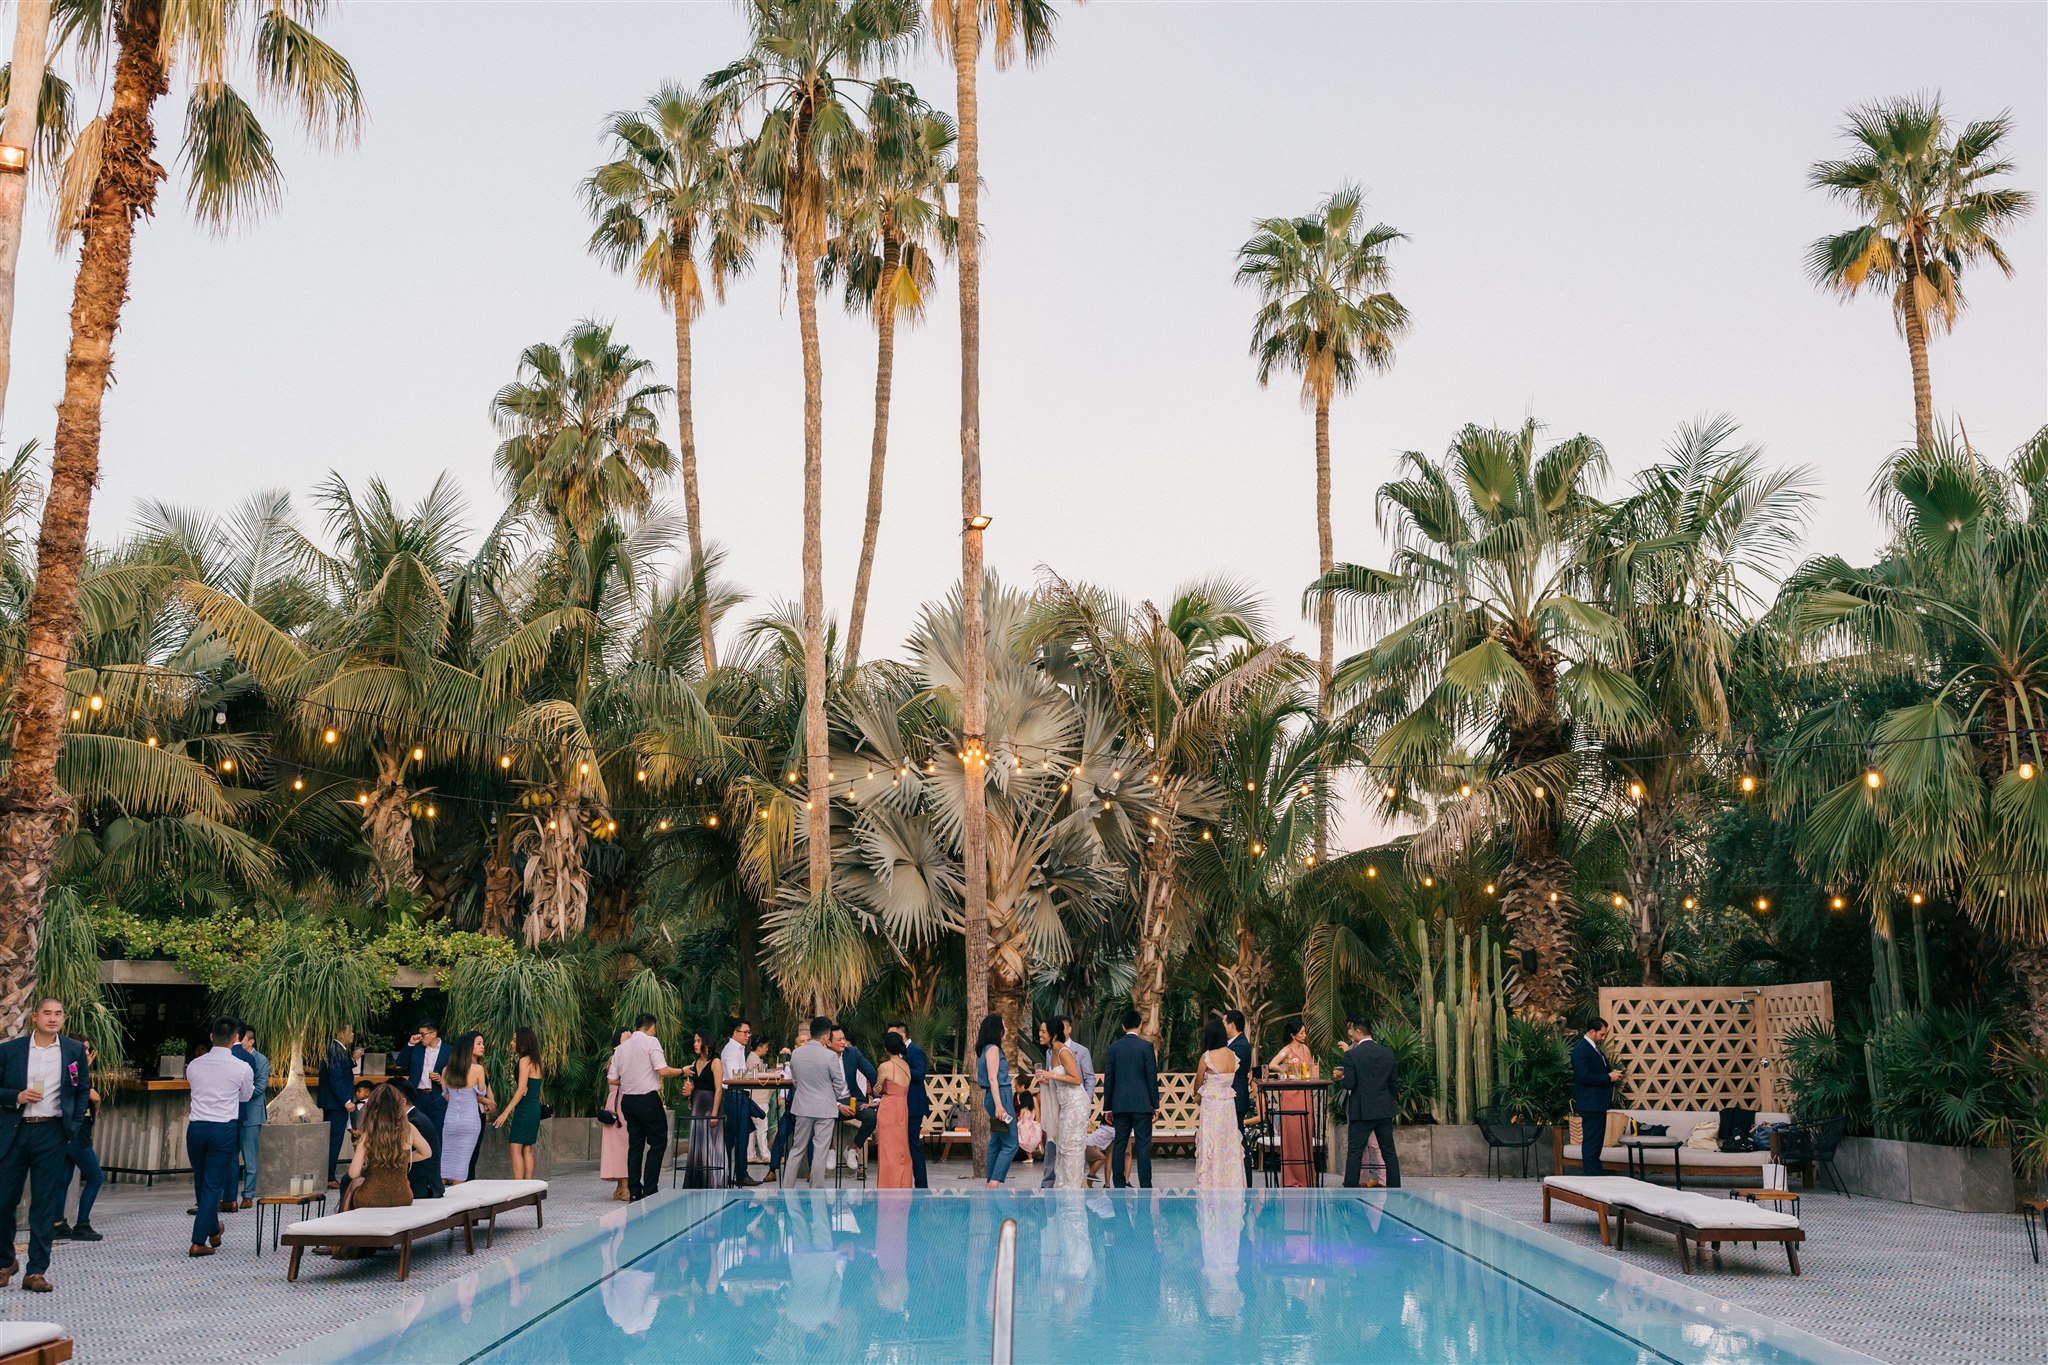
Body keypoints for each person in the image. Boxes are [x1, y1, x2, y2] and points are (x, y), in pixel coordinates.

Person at [0, 999, 91, 1289]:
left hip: (51, 1133)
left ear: (64, 1018)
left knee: (45, 1204)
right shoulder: (10, 1050)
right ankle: (5, 1261)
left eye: (59, 1014)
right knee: (3, 1202)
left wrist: (72, 1127)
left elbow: (82, 1090)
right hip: (14, 1133)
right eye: (47, 1013)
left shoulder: (74, 1051)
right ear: (35, 1017)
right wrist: (17, 1096)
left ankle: (35, 1271)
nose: (53, 1019)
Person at [184, 1016, 254, 1257]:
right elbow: (245, 1096)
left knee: (202, 1181)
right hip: (222, 1128)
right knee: (213, 1186)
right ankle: (197, 1241)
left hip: (195, 1128)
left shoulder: (194, 1065)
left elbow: (193, 1087)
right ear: (236, 1039)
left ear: (211, 1037)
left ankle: (213, 1229)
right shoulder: (242, 1067)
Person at [611, 1015, 683, 1201]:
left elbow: (611, 1079)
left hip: (628, 1101)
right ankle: (650, 1189)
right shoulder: (651, 1042)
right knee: (658, 1143)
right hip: (648, 1100)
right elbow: (662, 1070)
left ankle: (635, 1191)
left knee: (635, 1145)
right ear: (651, 1027)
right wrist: (683, 1071)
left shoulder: (621, 1048)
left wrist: (629, 1080)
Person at [780, 1017, 852, 1189]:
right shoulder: (830, 1056)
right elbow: (839, 1083)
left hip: (802, 1106)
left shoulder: (796, 1053)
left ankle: (787, 1188)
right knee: (820, 1153)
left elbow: (795, 1080)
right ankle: (816, 1191)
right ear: (827, 1035)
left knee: (797, 1149)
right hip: (825, 1108)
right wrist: (830, 1096)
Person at [1336, 1016, 1400, 1188]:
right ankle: (1395, 1189)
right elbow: (1393, 1084)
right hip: (1384, 1109)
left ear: (1358, 1031)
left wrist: (1342, 1078)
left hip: (1362, 1111)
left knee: (1355, 1153)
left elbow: (1349, 1083)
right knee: (1389, 1152)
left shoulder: (1352, 1055)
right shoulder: (1387, 1053)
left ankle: (1350, 1191)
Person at [1101, 1008, 1159, 1189]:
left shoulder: (1114, 1048)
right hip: (1142, 1105)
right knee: (1143, 1146)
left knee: (1120, 1143)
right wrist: (1155, 1105)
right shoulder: (1146, 1047)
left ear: (1123, 1026)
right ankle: (1145, 1185)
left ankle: (1119, 1184)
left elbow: (1109, 1079)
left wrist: (1107, 1108)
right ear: (1140, 1025)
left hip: (1120, 1104)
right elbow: (1151, 1078)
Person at [348, 1084, 431, 1210]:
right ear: (401, 1103)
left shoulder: (368, 1132)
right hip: (403, 1198)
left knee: (346, 1183)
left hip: (370, 1199)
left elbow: (353, 1173)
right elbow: (426, 1153)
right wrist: (399, 1158)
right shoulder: (409, 1129)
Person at [53, 1039, 104, 1242]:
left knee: (64, 1178)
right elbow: (87, 1092)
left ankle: (57, 1223)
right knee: (96, 1176)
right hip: (77, 1128)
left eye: (87, 1049)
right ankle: (82, 1224)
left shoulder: (71, 1066)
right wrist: (97, 1101)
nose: (85, 1052)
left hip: (67, 1127)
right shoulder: (72, 1067)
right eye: (82, 1048)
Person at [1037, 1017, 1093, 1191]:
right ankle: (1063, 1187)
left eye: (1043, 1031)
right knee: (1062, 1148)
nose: (1039, 1034)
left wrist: (1052, 1076)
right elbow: (1061, 1081)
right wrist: (1047, 1080)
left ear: (1054, 1034)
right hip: (1065, 1106)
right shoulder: (1052, 1052)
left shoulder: (1063, 1052)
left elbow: (1076, 1079)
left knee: (1071, 1148)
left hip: (1076, 1105)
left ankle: (1073, 1189)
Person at [391, 1020, 450, 1176]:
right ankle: (413, 1171)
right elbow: (400, 1062)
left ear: (433, 1034)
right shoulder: (416, 1049)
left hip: (437, 1097)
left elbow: (457, 1074)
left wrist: (443, 1079)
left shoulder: (448, 1050)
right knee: (412, 1132)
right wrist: (410, 1044)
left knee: (436, 1135)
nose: (420, 1037)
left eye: (423, 1034)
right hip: (417, 1096)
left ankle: (435, 1173)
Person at [1194, 1016, 1247, 1190]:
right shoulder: (1232, 1055)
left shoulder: (1207, 1057)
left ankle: (1211, 1182)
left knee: (1212, 1142)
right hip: (1228, 1105)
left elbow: (1198, 1082)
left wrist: (1197, 1094)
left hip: (1212, 1105)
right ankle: (1230, 1182)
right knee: (1228, 1142)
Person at [1266, 1018, 1319, 1188]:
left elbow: (1310, 1068)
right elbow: (1272, 1064)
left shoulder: (1305, 1049)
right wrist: (1287, 1069)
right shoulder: (1287, 1050)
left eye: (1304, 1032)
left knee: (1305, 1132)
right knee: (1292, 1133)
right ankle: (1292, 1177)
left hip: (1304, 1094)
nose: (1304, 1035)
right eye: (1301, 1032)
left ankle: (1306, 1177)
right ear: (1293, 1034)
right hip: (1291, 1096)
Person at [492, 1028, 545, 1182]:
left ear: (524, 1042)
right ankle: (528, 1187)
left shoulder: (524, 1060)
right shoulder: (536, 1061)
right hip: (534, 1107)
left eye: (515, 1040)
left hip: (525, 1108)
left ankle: (518, 1187)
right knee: (527, 1148)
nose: (512, 1043)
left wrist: (506, 1112)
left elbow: (521, 1089)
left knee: (515, 1148)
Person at [1573, 1017, 1622, 1177]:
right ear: (1592, 1031)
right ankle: (1592, 1177)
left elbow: (1598, 1071)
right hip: (1590, 1104)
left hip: (1598, 1104)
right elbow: (1584, 1077)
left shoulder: (1594, 1048)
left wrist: (1612, 1074)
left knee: (1596, 1143)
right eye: (1601, 1034)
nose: (1603, 1038)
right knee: (1591, 1143)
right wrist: (1608, 1077)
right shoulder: (1581, 1049)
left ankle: (1595, 1174)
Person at [440, 1032, 489, 1186]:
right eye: (479, 1043)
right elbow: (482, 1091)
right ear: (468, 1048)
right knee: (463, 1161)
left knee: (446, 1160)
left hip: (450, 1119)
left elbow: (447, 1096)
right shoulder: (478, 1069)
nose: (483, 1046)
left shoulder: (446, 1070)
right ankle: (459, 1199)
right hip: (470, 1119)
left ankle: (440, 1196)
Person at [974, 1014, 1017, 1187]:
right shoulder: (992, 1049)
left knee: (997, 1140)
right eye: (1003, 1025)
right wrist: (1000, 1105)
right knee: (1011, 1142)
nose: (1006, 1028)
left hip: (993, 1096)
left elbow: (982, 1077)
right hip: (1001, 1095)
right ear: (996, 1029)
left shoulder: (984, 1049)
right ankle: (994, 1181)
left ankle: (990, 1181)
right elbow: (993, 1078)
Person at [885, 1022, 930, 1189]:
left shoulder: (916, 1051)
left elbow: (920, 1074)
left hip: (913, 1106)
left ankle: (921, 1186)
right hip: (899, 1106)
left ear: (902, 1036)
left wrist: (899, 1069)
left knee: (913, 1145)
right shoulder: (896, 1055)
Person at [683, 1030, 729, 1189]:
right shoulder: (695, 1064)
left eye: (698, 1041)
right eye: (694, 1041)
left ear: (707, 1042)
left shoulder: (716, 1062)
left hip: (711, 1107)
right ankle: (698, 1181)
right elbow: (695, 1088)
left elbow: (718, 1090)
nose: (695, 1044)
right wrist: (688, 1093)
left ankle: (713, 1181)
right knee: (698, 1144)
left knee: (712, 1145)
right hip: (697, 1107)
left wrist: (715, 1113)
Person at [832, 1026, 878, 1174]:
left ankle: (852, 1148)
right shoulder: (822, 1057)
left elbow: (872, 1073)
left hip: (852, 1099)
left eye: (844, 1038)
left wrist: (877, 1098)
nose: (843, 1042)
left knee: (871, 1116)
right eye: (839, 1040)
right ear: (828, 1042)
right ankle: (830, 1150)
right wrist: (837, 1105)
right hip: (829, 1101)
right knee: (819, 1116)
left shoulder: (853, 1053)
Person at [233, 1023, 270, 1208]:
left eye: (243, 1040)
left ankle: (248, 1194)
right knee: (232, 1155)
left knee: (250, 1157)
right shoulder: (235, 1057)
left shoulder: (261, 1060)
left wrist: (236, 1092)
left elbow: (260, 1088)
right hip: (233, 1113)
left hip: (252, 1114)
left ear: (251, 1041)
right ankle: (230, 1195)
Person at [316, 1024, 357, 1189]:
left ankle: (328, 1174)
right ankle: (329, 1176)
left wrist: (353, 1060)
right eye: (350, 1031)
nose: (352, 1034)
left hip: (334, 1103)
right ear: (340, 1033)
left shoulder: (338, 1049)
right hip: (336, 1104)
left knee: (333, 1139)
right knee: (334, 1140)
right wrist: (345, 1101)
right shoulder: (334, 1050)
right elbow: (336, 1078)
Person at [718, 1019, 758, 1186]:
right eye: (745, 1032)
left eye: (749, 1032)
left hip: (738, 1095)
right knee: (738, 1136)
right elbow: (735, 1075)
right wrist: (756, 1075)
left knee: (738, 1135)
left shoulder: (738, 1049)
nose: (748, 1036)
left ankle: (734, 1172)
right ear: (735, 1033)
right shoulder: (732, 1051)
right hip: (734, 1095)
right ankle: (739, 1174)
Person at [874, 1032, 913, 1189]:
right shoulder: (906, 1066)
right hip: (902, 1107)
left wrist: (878, 1090)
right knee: (901, 1149)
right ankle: (902, 1184)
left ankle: (888, 1186)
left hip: (889, 1108)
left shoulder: (885, 1066)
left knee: (888, 1150)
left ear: (886, 1048)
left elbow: (878, 1090)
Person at [1224, 1010, 1256, 1181]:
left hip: (1236, 1098)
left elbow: (1228, 1070)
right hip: (1230, 1098)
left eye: (1224, 1023)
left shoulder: (1240, 1045)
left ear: (1232, 1024)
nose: (1223, 1027)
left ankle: (1247, 1181)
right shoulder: (1231, 1044)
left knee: (1239, 1141)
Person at [600, 1027, 632, 1200]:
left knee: (620, 1145)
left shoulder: (617, 1057)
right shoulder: (617, 1057)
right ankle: (623, 1186)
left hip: (617, 1103)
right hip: (618, 1104)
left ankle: (622, 1186)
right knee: (620, 1146)